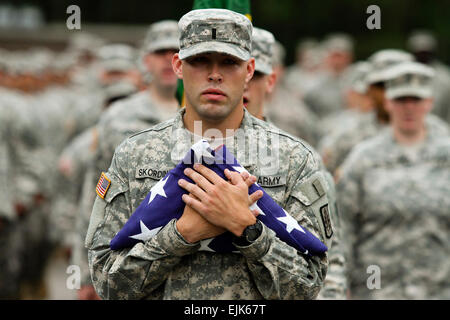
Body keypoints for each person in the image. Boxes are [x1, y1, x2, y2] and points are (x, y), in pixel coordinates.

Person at [87, 9, 333, 300]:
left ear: (250, 70)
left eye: (229, 62)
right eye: (200, 60)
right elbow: (106, 282)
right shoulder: (135, 154)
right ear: (178, 66)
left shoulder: (294, 159)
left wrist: (248, 229)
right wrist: (182, 234)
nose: (214, 74)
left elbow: (308, 286)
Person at [243, 26, 346, 300]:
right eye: (229, 69)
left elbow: (330, 251)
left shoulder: (299, 158)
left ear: (271, 81)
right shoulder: (184, 151)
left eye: (254, 75)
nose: (241, 83)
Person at [337, 61, 450, 299]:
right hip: (377, 289)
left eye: (416, 100)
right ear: (388, 103)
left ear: (429, 103)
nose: (409, 108)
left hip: (438, 288)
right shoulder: (363, 158)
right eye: (401, 100)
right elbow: (343, 226)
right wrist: (338, 284)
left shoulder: (446, 155)